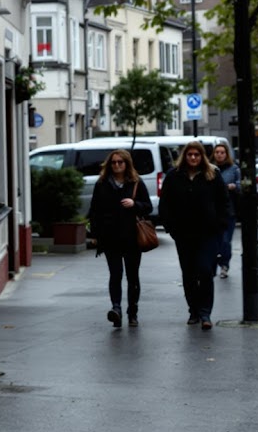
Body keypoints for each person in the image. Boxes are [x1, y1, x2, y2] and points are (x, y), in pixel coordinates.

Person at [160, 140, 229, 330]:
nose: (193, 158)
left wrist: (220, 224)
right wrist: (171, 227)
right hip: (183, 233)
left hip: (207, 233)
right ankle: (194, 310)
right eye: (190, 154)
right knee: (189, 273)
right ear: (185, 156)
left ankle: (205, 313)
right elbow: (165, 203)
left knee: (205, 270)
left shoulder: (212, 175)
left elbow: (223, 201)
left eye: (196, 155)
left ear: (202, 157)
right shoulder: (174, 176)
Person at [87, 148, 153, 328]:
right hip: (110, 237)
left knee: (132, 276)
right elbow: (94, 210)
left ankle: (133, 313)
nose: (116, 165)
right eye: (113, 162)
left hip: (132, 237)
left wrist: (135, 204)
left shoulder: (136, 182)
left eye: (120, 162)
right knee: (115, 274)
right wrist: (95, 235)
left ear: (127, 164)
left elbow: (148, 206)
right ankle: (116, 308)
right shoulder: (102, 184)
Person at [210, 142, 241, 278]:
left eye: (222, 152)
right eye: (217, 152)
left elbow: (241, 184)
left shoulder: (234, 169)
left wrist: (234, 186)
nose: (219, 155)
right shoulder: (210, 168)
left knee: (225, 240)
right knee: (215, 241)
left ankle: (224, 265)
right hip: (213, 211)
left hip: (229, 210)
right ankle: (215, 262)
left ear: (226, 154)